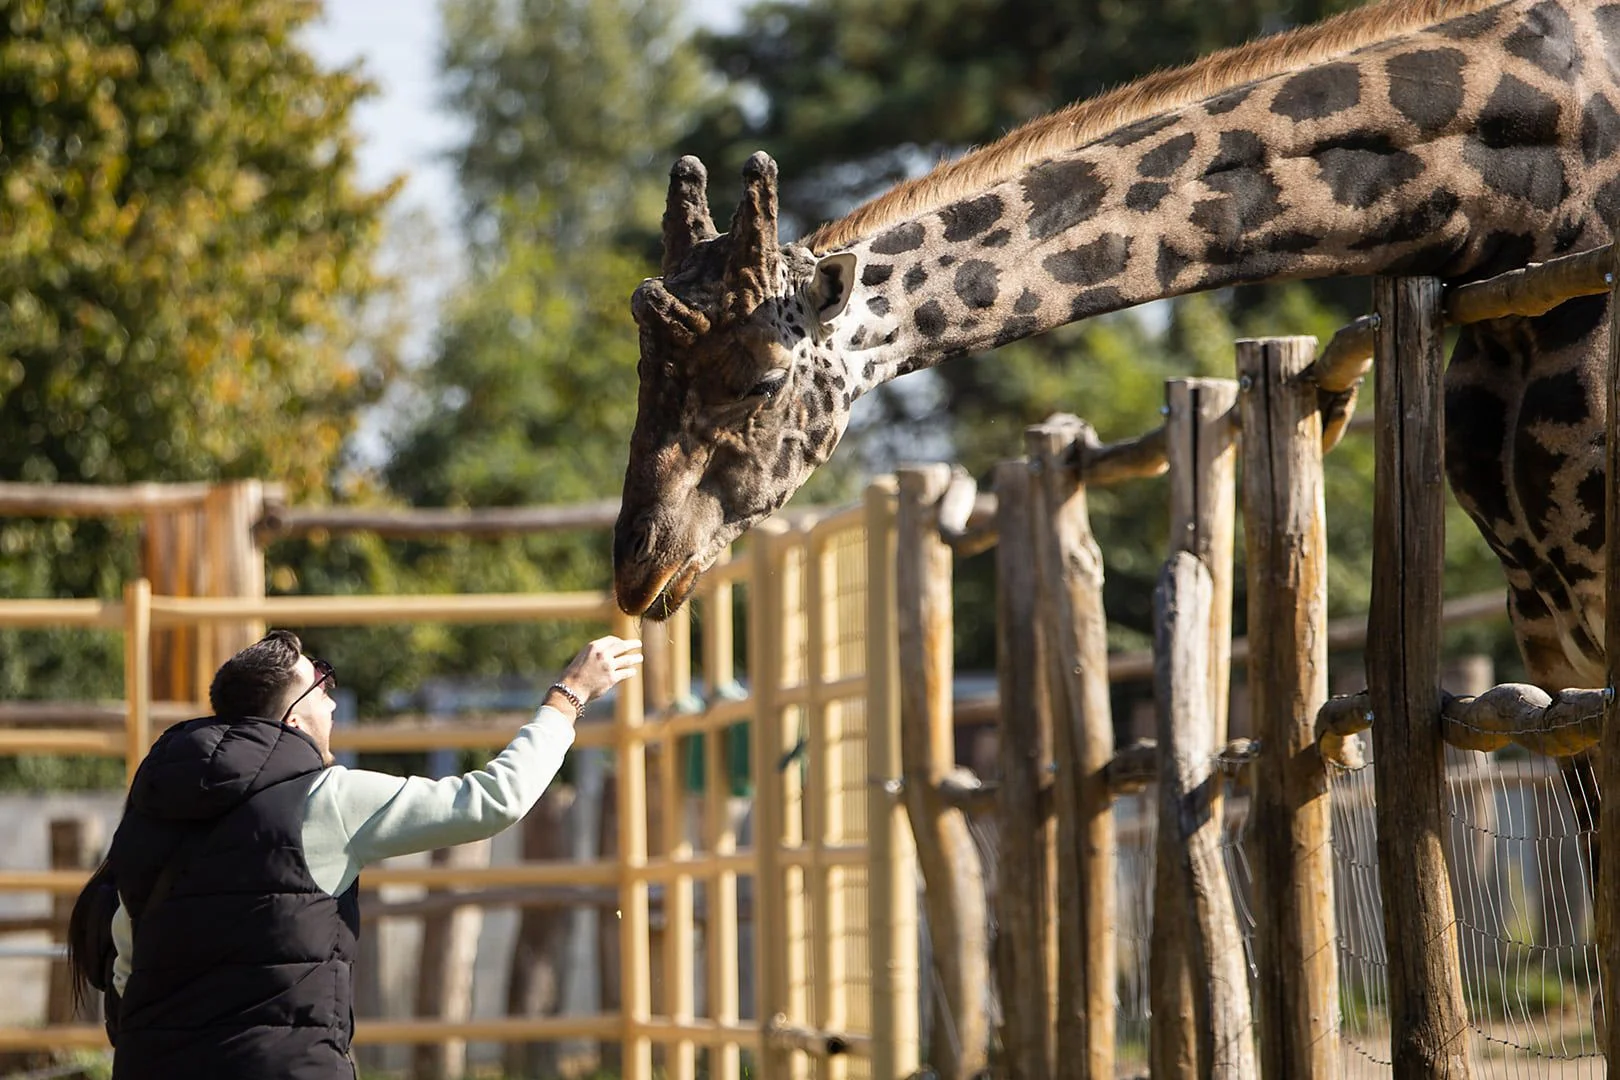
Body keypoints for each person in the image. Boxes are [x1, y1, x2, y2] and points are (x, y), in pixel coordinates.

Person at [67, 629, 642, 1080]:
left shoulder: (153, 807)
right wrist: (568, 696)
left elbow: (125, 961)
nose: (333, 697)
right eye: (322, 682)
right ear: (293, 715)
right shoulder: (328, 797)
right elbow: (492, 800)